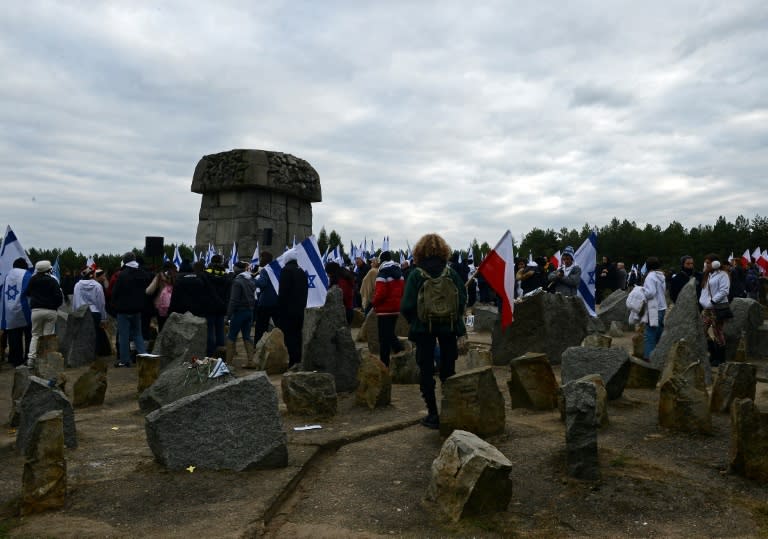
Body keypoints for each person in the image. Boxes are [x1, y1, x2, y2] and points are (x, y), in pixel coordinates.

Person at [400, 233, 466, 430]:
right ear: (443, 250)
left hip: (424, 329)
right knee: (448, 370)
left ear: (419, 251)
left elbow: (407, 305)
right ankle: (450, 410)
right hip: (449, 328)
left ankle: (433, 414)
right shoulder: (451, 274)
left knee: (426, 371)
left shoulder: (416, 275)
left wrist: (416, 321)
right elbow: (462, 299)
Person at [111, 252, 149, 367]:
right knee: (138, 334)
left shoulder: (123, 275)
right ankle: (144, 356)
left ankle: (125, 360)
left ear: (125, 261)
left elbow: (115, 292)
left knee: (124, 336)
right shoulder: (142, 273)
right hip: (137, 309)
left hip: (123, 310)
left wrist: (114, 305)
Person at [24, 260, 64, 368]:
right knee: (48, 335)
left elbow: (27, 293)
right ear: (48, 269)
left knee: (35, 335)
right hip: (50, 311)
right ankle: (46, 359)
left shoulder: (33, 279)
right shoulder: (52, 281)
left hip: (36, 311)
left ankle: (31, 360)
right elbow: (59, 297)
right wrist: (55, 306)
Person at [372, 251, 404, 367]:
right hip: (396, 308)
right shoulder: (399, 272)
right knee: (390, 333)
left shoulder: (382, 273)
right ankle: (398, 350)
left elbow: (380, 293)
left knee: (384, 338)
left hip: (384, 309)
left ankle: (385, 363)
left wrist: (374, 303)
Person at [277, 251, 308, 367]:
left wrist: (279, 309)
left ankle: (293, 362)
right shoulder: (301, 271)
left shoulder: (286, 271)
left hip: (288, 311)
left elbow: (283, 293)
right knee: (298, 336)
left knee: (289, 337)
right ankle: (298, 360)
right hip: (300, 309)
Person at [699, 254, 730, 369]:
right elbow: (705, 290)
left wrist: (712, 301)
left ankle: (721, 358)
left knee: (718, 332)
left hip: (717, 307)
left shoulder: (723, 275)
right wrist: (703, 302)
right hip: (707, 308)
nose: (706, 264)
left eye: (708, 262)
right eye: (705, 262)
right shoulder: (708, 274)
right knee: (702, 329)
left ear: (714, 263)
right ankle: (712, 353)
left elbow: (724, 291)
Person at [1, 257, 32, 367]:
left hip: (10, 312)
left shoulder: (7, 276)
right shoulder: (27, 275)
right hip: (24, 310)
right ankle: (28, 357)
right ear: (24, 265)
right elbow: (30, 292)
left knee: (14, 337)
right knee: (29, 336)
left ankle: (15, 359)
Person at [72, 267, 109, 355]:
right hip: (95, 312)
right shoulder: (97, 285)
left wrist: (75, 312)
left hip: (83, 312)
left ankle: (86, 352)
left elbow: (75, 300)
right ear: (92, 275)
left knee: (84, 333)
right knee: (97, 332)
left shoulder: (77, 285)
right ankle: (99, 352)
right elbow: (101, 302)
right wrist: (103, 317)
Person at [226, 261, 257, 364]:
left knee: (231, 336)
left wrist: (228, 315)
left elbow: (233, 300)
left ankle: (228, 363)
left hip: (239, 312)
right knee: (247, 337)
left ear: (236, 269)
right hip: (249, 312)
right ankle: (251, 361)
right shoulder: (251, 280)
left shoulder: (237, 281)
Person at [203, 254, 232, 356]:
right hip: (222, 306)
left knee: (210, 329)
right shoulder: (226, 275)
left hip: (209, 306)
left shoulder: (205, 274)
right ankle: (221, 353)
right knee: (220, 329)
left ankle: (210, 353)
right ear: (221, 262)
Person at [641, 257, 666, 361]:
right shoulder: (661, 276)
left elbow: (650, 292)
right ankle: (660, 355)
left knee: (650, 333)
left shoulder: (650, 276)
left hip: (653, 308)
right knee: (659, 332)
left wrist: (641, 291)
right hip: (662, 306)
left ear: (647, 266)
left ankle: (648, 357)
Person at [253, 251, 278, 345]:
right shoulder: (276, 269)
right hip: (276, 302)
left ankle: (258, 345)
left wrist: (255, 279)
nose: (260, 260)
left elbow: (262, 283)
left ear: (264, 259)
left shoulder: (265, 270)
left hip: (265, 303)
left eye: (261, 258)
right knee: (277, 326)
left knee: (260, 328)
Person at [146, 261, 176, 332]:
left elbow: (149, 291)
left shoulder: (159, 276)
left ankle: (162, 342)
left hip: (160, 306)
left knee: (162, 327)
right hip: (173, 305)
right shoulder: (176, 277)